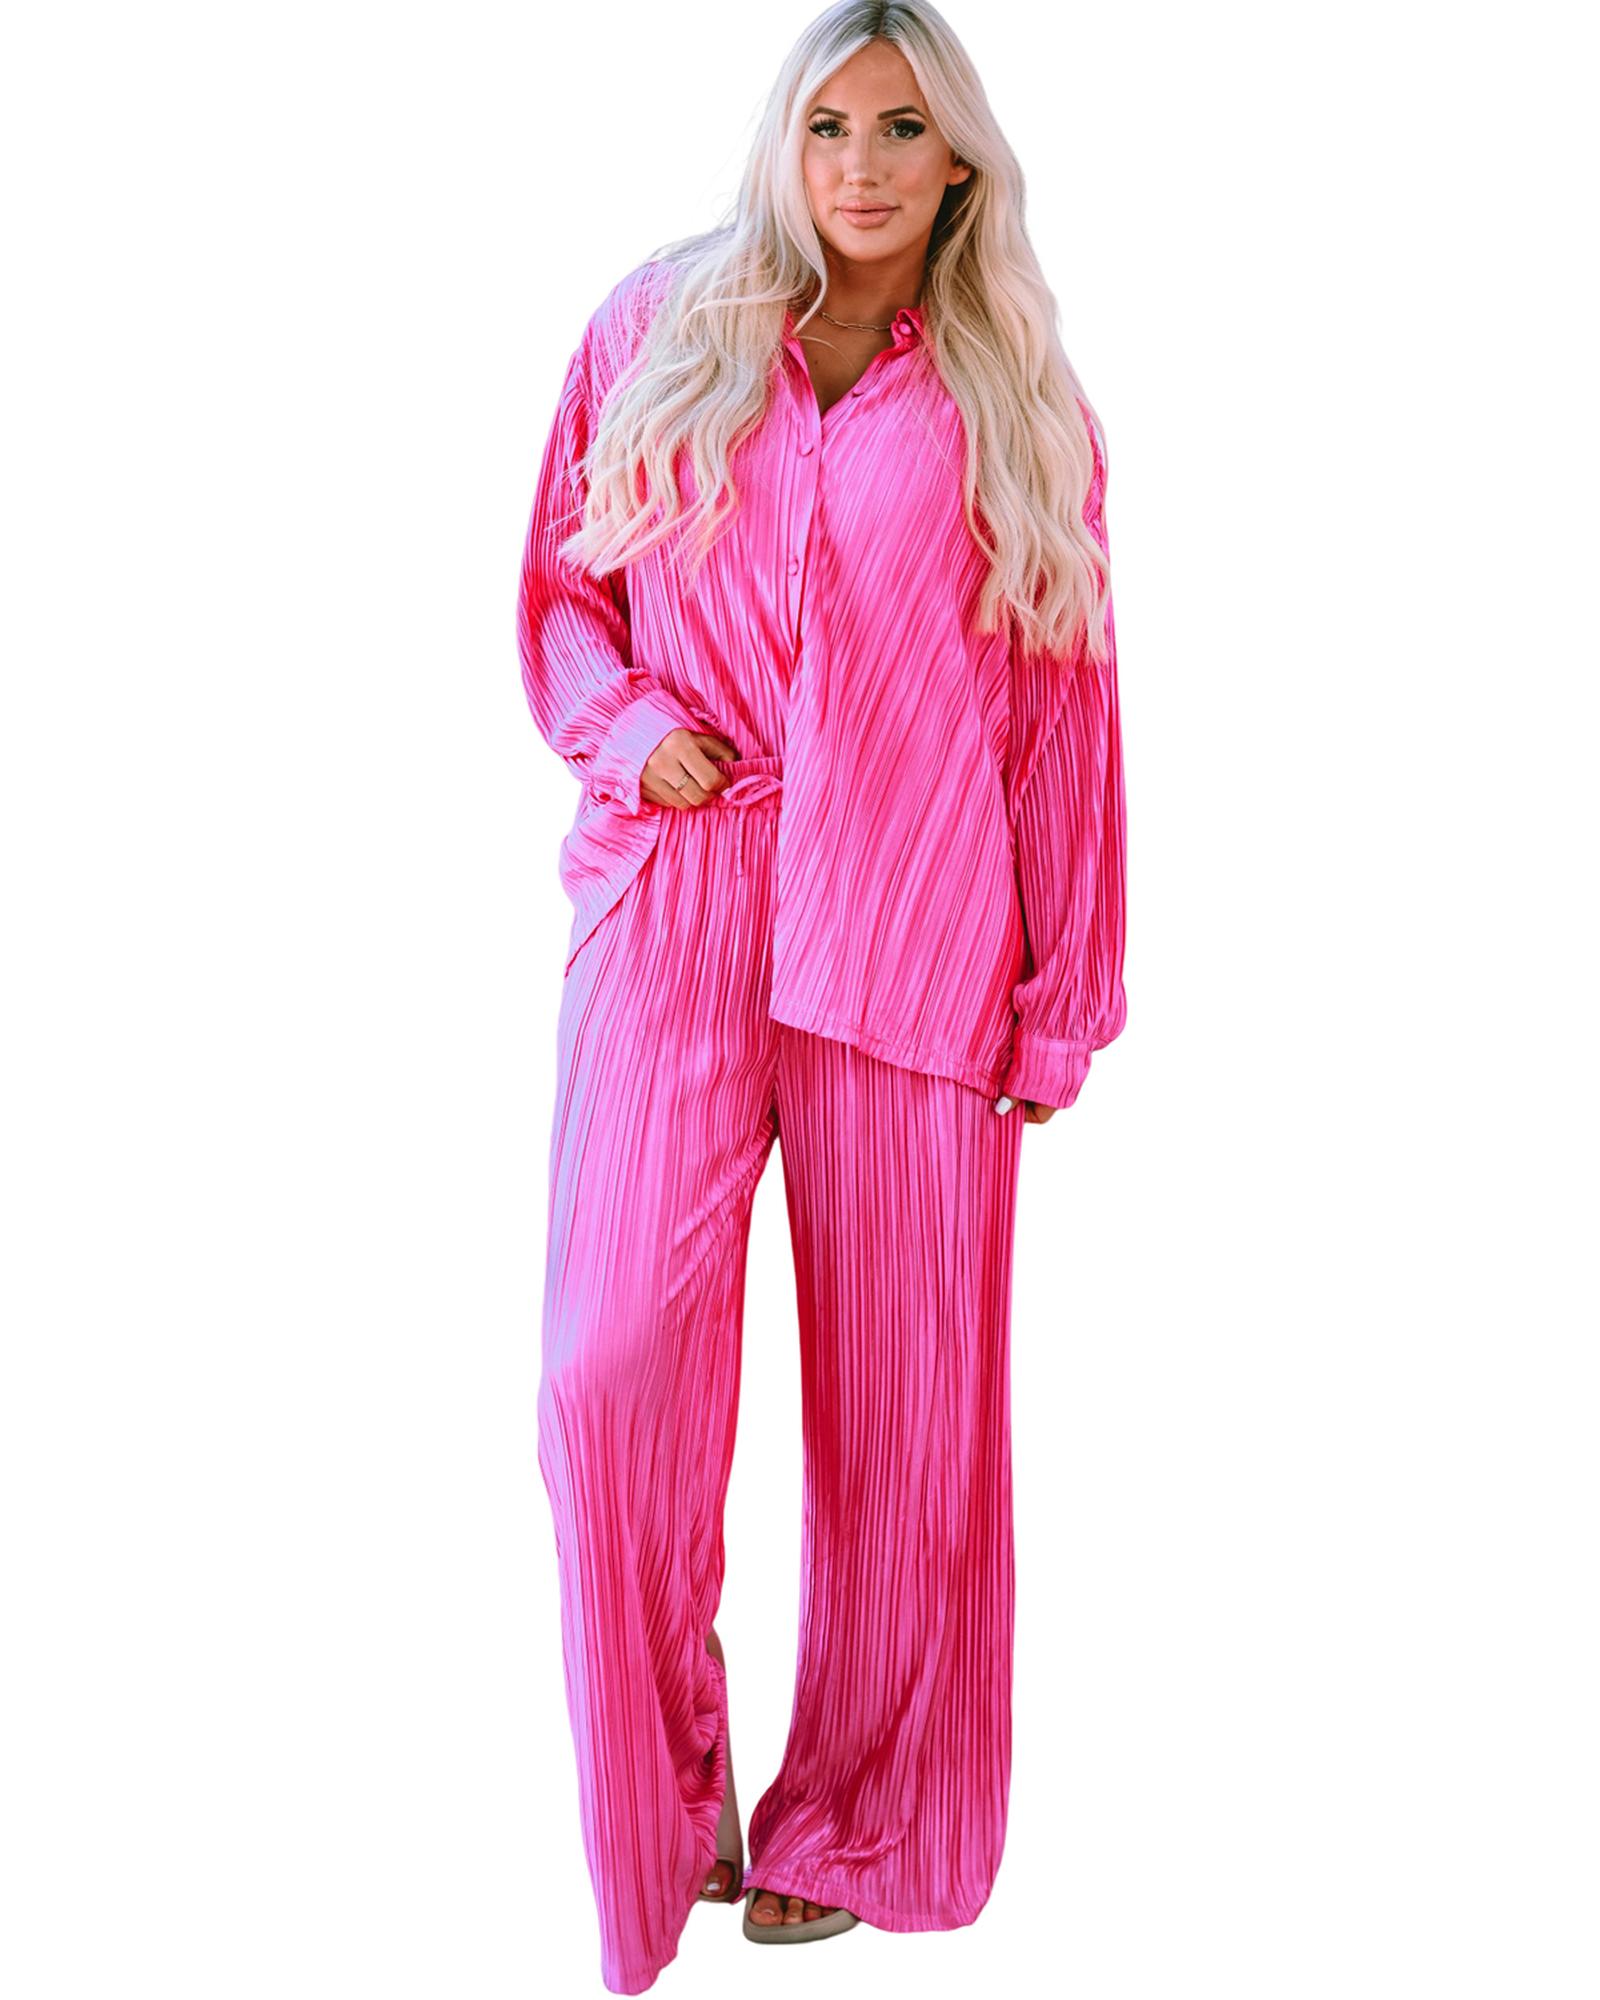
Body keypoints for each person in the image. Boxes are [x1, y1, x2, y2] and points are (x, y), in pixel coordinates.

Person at [514, 3, 1127, 1990]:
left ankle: (864, 1815)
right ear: (784, 141)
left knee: (909, 1427)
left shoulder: (1014, 394)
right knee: (606, 1370)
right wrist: (628, 731)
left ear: (959, 162)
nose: (860, 165)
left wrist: (1061, 996)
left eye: (902, 130)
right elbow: (558, 598)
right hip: (678, 901)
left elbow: (1062, 714)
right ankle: (665, 1784)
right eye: (829, 125)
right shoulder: (656, 328)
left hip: (920, 934)